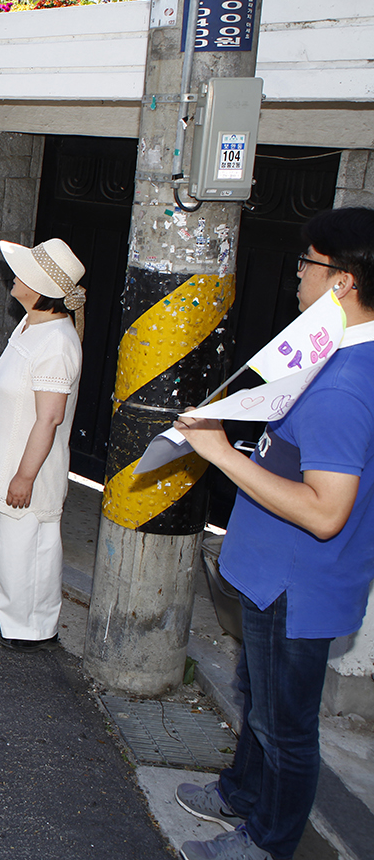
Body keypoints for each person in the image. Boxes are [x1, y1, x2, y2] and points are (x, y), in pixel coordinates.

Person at [173, 207, 374, 860]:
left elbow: (325, 511)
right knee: (256, 700)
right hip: (271, 574)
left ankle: (268, 842)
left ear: (341, 279)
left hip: (297, 585)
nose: (297, 277)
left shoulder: (346, 384)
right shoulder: (333, 352)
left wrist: (221, 453)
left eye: (307, 264)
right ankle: (242, 791)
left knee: (286, 728)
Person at [0, 239, 84, 651]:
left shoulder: (58, 342)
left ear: (42, 286)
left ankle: (32, 625)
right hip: (1, 460)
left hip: (27, 467)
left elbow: (49, 417)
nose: (14, 277)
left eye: (23, 273)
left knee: (27, 549)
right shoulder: (30, 325)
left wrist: (25, 475)